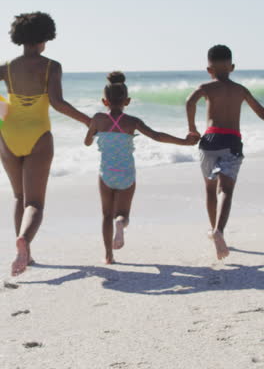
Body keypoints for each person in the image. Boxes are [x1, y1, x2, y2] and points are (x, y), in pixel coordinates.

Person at [0, 12, 91, 276]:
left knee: (19, 196)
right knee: (35, 203)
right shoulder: (51, 66)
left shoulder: (6, 68)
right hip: (38, 134)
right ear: (45, 37)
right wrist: (87, 121)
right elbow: (58, 103)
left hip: (8, 134)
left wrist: (3, 107)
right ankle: (24, 242)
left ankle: (24, 252)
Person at [85, 71, 198, 264]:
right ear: (127, 101)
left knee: (106, 215)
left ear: (104, 101)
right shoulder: (132, 121)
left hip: (106, 174)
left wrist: (94, 131)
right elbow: (157, 136)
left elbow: (87, 142)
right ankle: (121, 223)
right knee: (123, 214)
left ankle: (108, 255)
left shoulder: (98, 119)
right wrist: (185, 142)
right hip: (127, 173)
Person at [186, 44, 264, 260]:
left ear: (209, 70)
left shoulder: (206, 87)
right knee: (226, 191)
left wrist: (192, 128)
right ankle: (220, 230)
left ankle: (213, 230)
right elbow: (262, 114)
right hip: (231, 140)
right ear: (232, 67)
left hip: (209, 139)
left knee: (210, 190)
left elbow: (189, 101)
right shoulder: (240, 90)